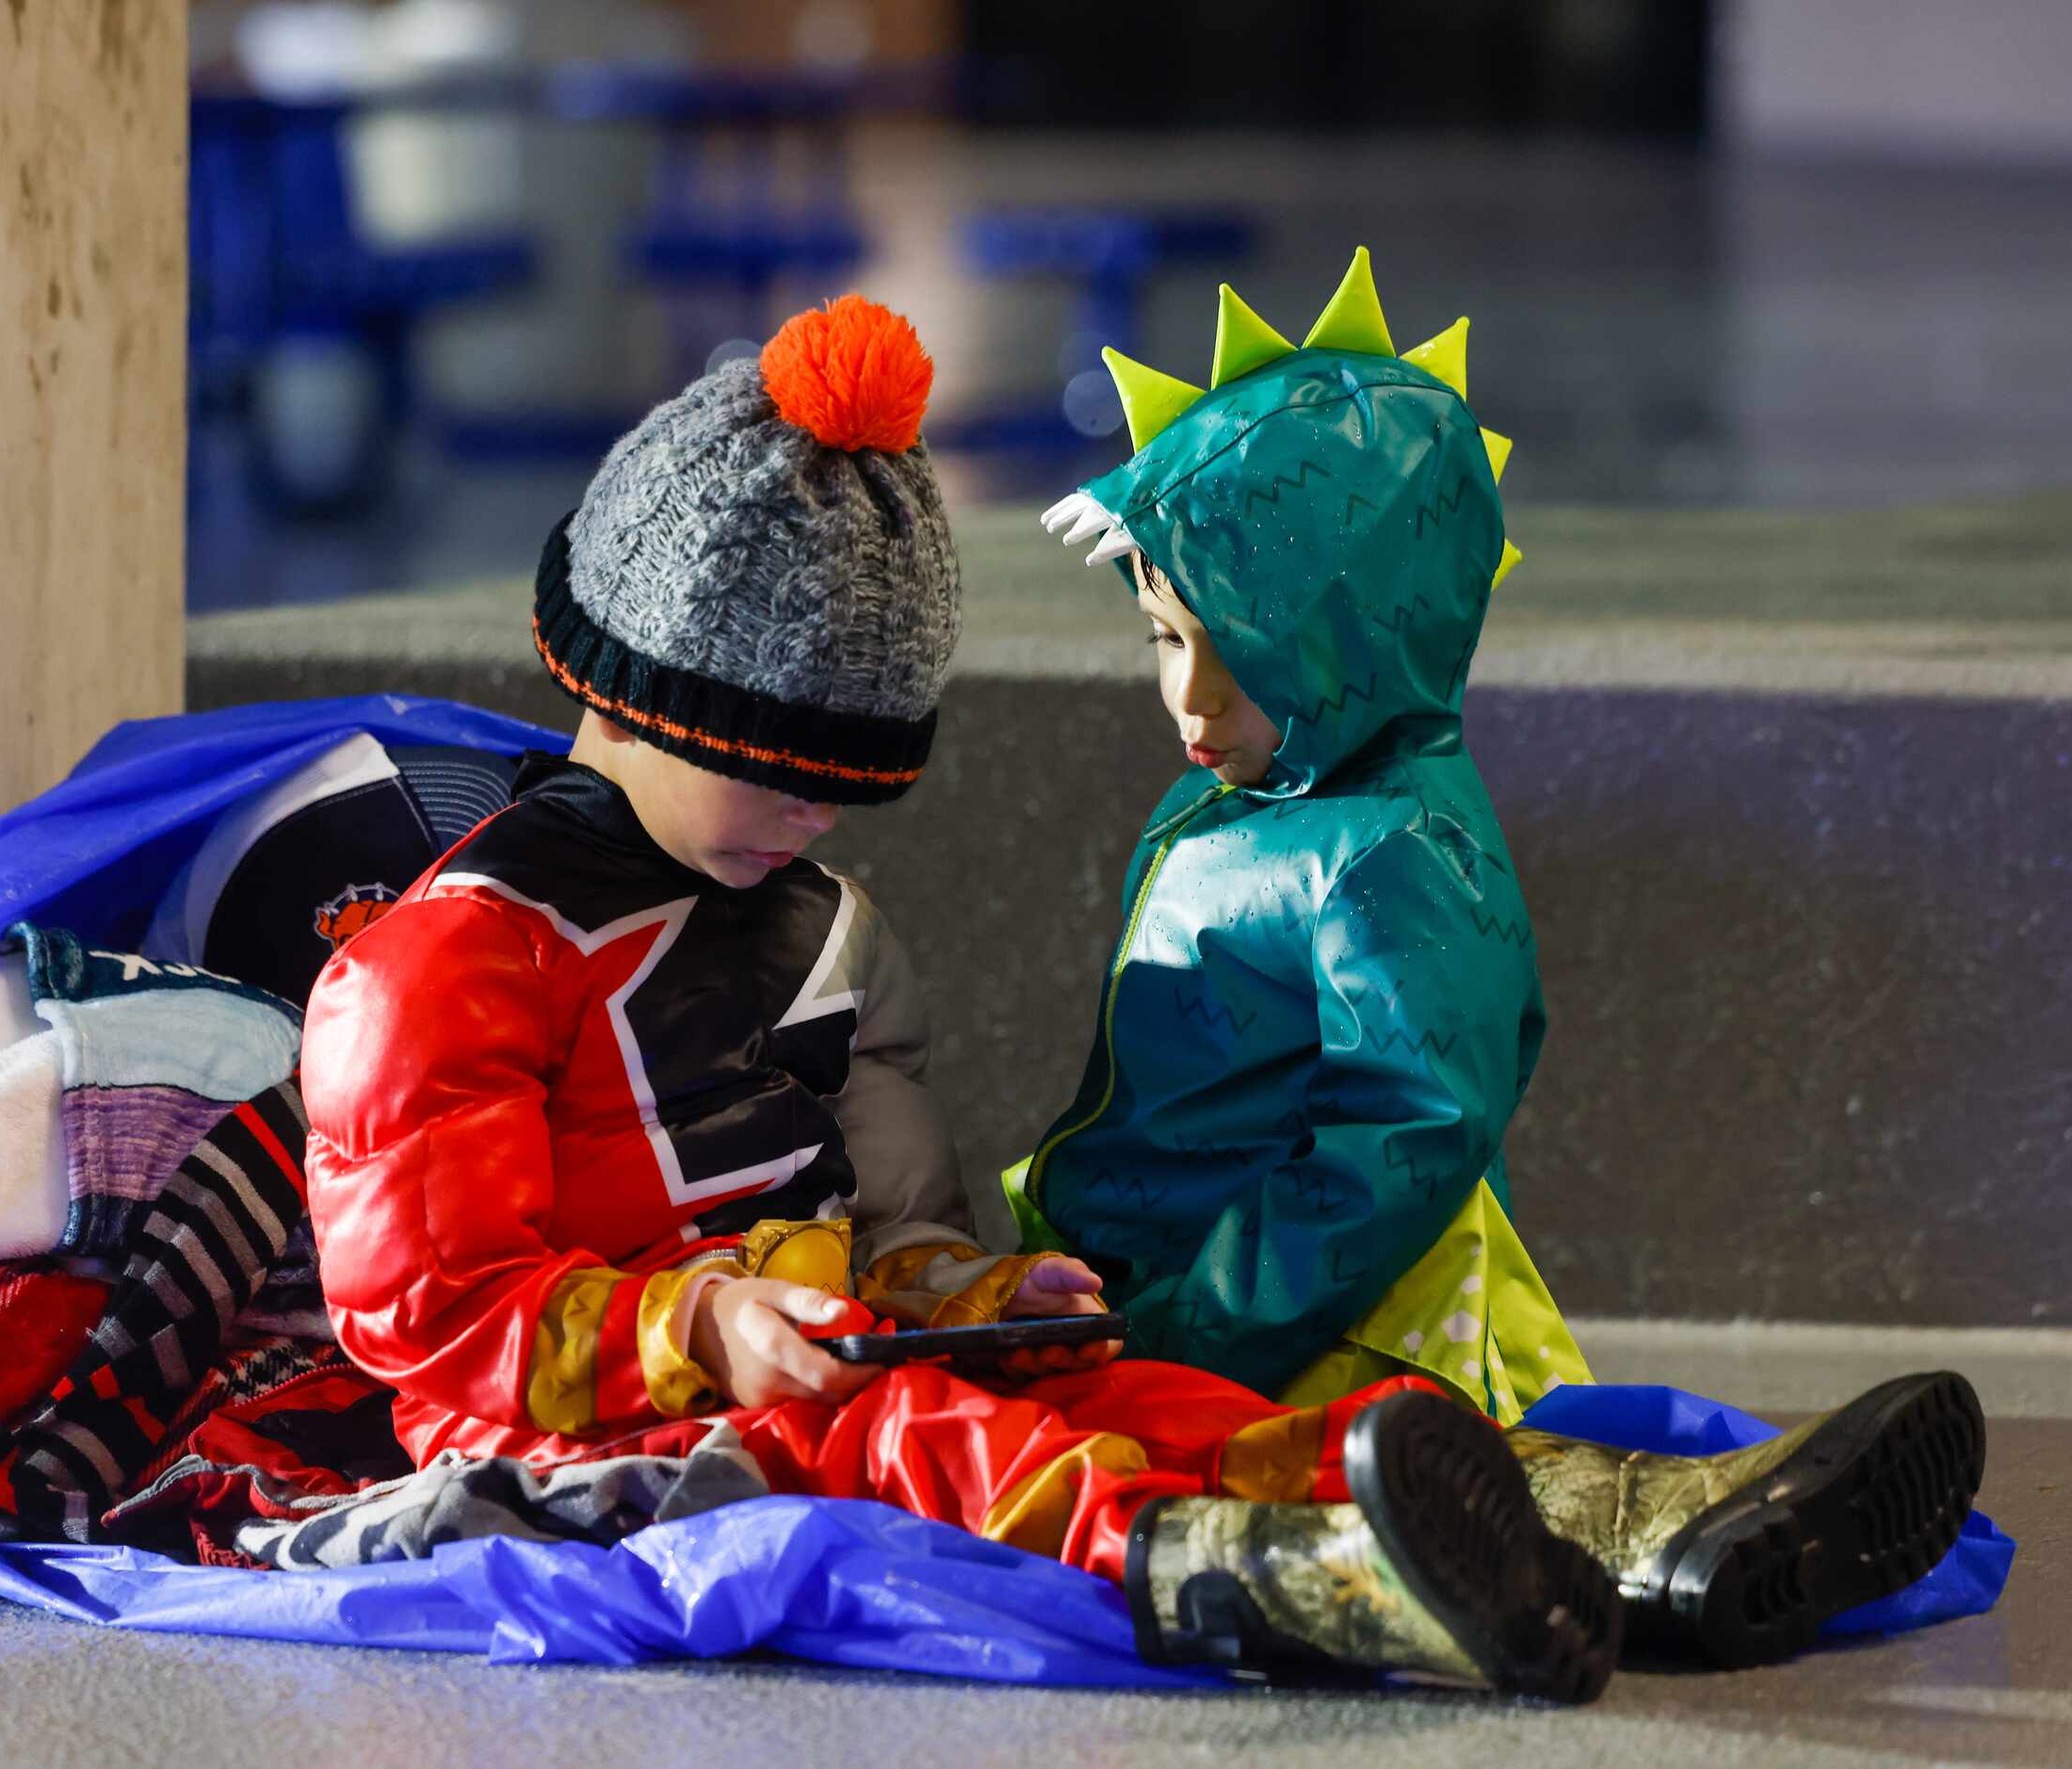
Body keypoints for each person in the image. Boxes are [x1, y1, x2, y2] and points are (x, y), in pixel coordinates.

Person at [300, 294, 1625, 1699]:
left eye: (851, 786)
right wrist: (699, 1327)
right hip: (580, 1430)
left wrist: (982, 1290)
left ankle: (1452, 1508)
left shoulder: (823, 926)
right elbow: (437, 1319)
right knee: (916, 1439)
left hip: (824, 1360)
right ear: (650, 691)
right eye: (781, 768)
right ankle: (1261, 1575)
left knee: (1105, 1385)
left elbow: (882, 1232)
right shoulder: (440, 966)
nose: (813, 819)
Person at [1012, 250, 1985, 1664]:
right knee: (1300, 1468)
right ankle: (1640, 1542)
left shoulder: (1395, 852)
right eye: (1163, 635)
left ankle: (1685, 1527)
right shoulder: (1257, 802)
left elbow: (1403, 1129)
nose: (1189, 697)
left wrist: (1206, 1320)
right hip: (1188, 1283)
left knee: (1388, 1468)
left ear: (1359, 645)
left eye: (1244, 659)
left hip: (1335, 1307)